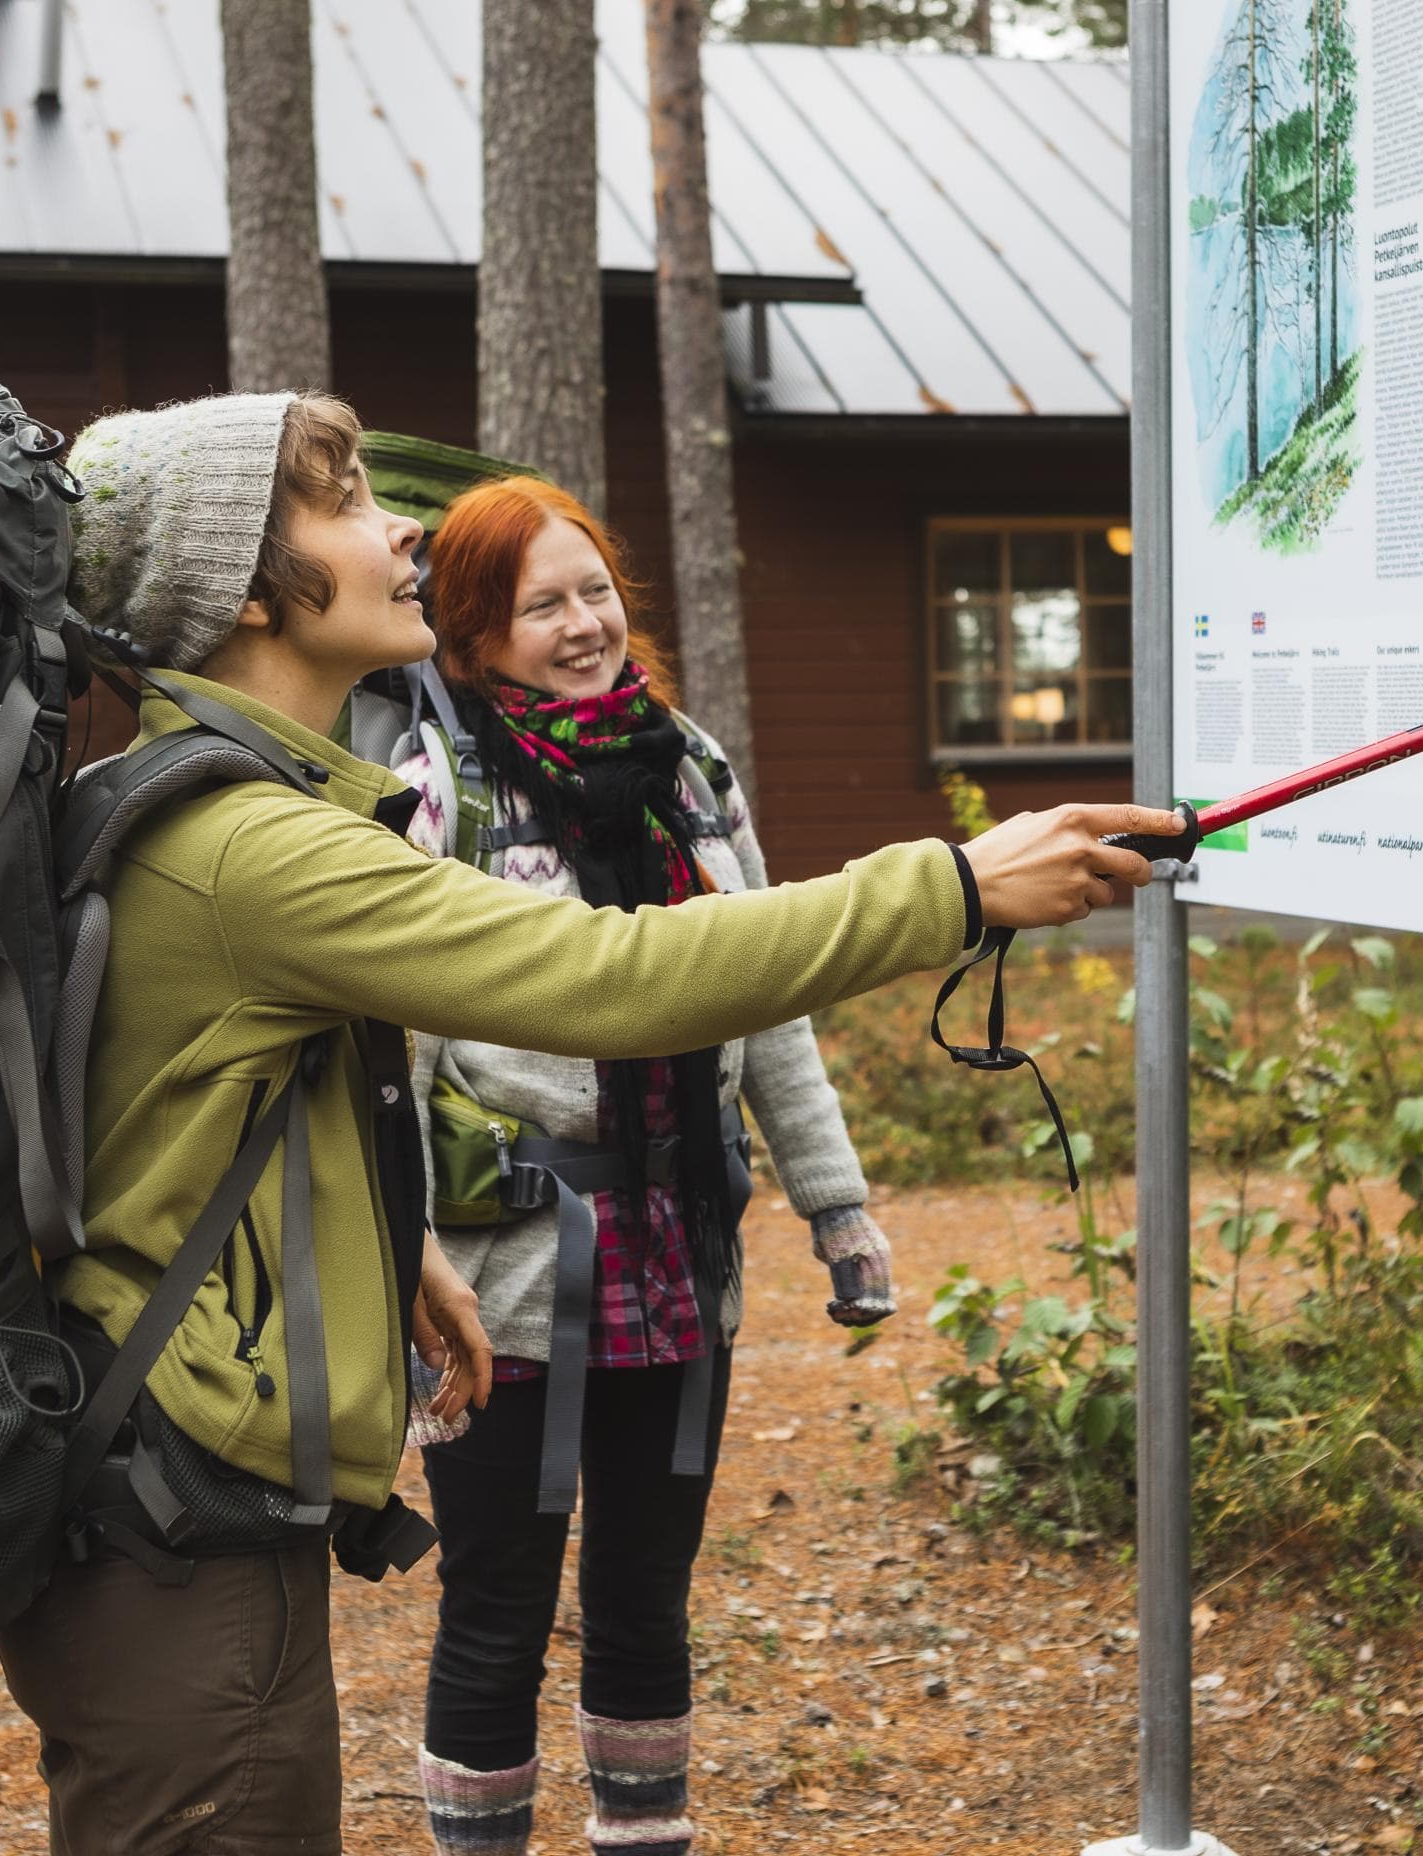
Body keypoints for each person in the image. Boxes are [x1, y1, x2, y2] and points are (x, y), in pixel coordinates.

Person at [0, 389, 1175, 1855]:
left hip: (189, 1481)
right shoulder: (261, 841)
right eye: (348, 501)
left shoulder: (225, 799)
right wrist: (952, 886)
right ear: (244, 587)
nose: (401, 523)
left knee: (627, 1602)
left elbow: (227, 1099)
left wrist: (391, 1246)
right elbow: (608, 975)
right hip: (177, 1508)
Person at [399, 478, 900, 1856]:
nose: (582, 625)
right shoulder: (443, 793)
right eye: (538, 605)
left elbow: (767, 994)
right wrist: (401, 1248)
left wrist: (837, 1205)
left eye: (595, 591)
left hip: (682, 1250)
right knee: (497, 1596)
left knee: (645, 1595)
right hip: (509, 1273)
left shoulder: (690, 768)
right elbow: (397, 1040)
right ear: (470, 636)